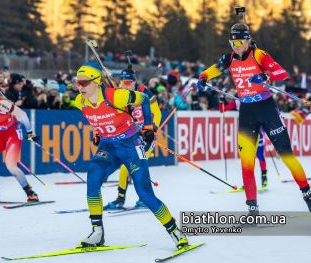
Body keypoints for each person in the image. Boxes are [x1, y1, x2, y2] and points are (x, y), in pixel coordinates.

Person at [73, 61, 188, 249]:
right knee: (93, 177)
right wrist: (96, 131)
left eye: (84, 83)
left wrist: (149, 126)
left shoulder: (117, 96)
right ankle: (97, 232)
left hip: (130, 145)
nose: (79, 87)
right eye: (77, 83)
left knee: (144, 192)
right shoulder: (80, 101)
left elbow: (143, 98)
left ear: (96, 82)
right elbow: (95, 117)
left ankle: (174, 230)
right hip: (108, 146)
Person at [197, 22, 310, 213]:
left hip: (267, 109)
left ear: (248, 40)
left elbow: (282, 73)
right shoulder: (229, 58)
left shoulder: (259, 55)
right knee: (246, 164)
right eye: (233, 41)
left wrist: (265, 78)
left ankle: (307, 194)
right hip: (247, 112)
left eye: (240, 40)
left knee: (286, 155)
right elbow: (213, 70)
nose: (237, 45)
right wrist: (203, 77)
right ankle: (252, 209)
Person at [106, 66, 161, 209]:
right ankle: (121, 198)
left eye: (129, 82)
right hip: (133, 135)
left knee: (132, 166)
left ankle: (144, 198)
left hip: (147, 135)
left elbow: (157, 113)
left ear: (134, 82)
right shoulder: (121, 94)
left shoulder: (145, 92)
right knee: (126, 167)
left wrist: (152, 127)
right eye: (123, 82)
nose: (125, 84)